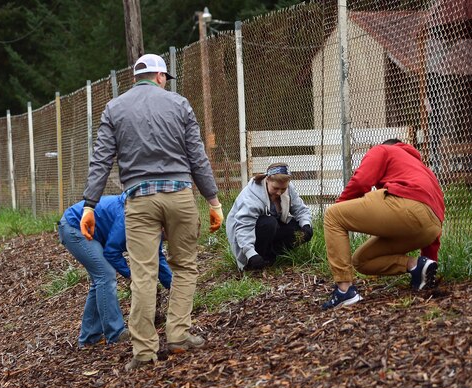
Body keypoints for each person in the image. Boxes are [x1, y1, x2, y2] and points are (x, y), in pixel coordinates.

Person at [80, 53, 223, 370]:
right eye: (164, 78)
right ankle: (178, 337)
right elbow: (197, 157)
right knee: (184, 266)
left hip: (139, 202)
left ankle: (144, 352)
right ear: (160, 76)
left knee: (143, 275)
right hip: (179, 197)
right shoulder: (179, 104)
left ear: (135, 78)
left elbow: (101, 161)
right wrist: (213, 201)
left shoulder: (114, 109)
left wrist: (89, 205)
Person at [321, 139, 445, 310]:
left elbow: (361, 181)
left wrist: (339, 206)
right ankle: (415, 265)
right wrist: (430, 264)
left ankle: (344, 291)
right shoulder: (425, 172)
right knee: (362, 261)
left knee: (332, 215)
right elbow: (431, 217)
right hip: (430, 228)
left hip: (406, 205)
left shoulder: (383, 149)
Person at [59, 193, 172, 348]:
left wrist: (173, 286)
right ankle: (116, 333)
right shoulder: (129, 216)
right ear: (162, 226)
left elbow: (157, 257)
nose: (166, 239)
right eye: (167, 235)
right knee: (106, 275)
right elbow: (111, 251)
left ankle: (89, 338)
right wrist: (130, 274)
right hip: (75, 227)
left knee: (100, 280)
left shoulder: (152, 227)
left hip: (91, 231)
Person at [226, 162, 313, 271]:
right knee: (269, 223)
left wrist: (306, 225)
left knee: (299, 229)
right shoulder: (251, 197)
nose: (279, 192)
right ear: (267, 180)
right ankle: (255, 260)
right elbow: (244, 228)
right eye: (276, 188)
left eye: (283, 189)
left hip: (270, 227)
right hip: (245, 233)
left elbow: (300, 209)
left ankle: (272, 256)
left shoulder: (288, 188)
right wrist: (250, 253)